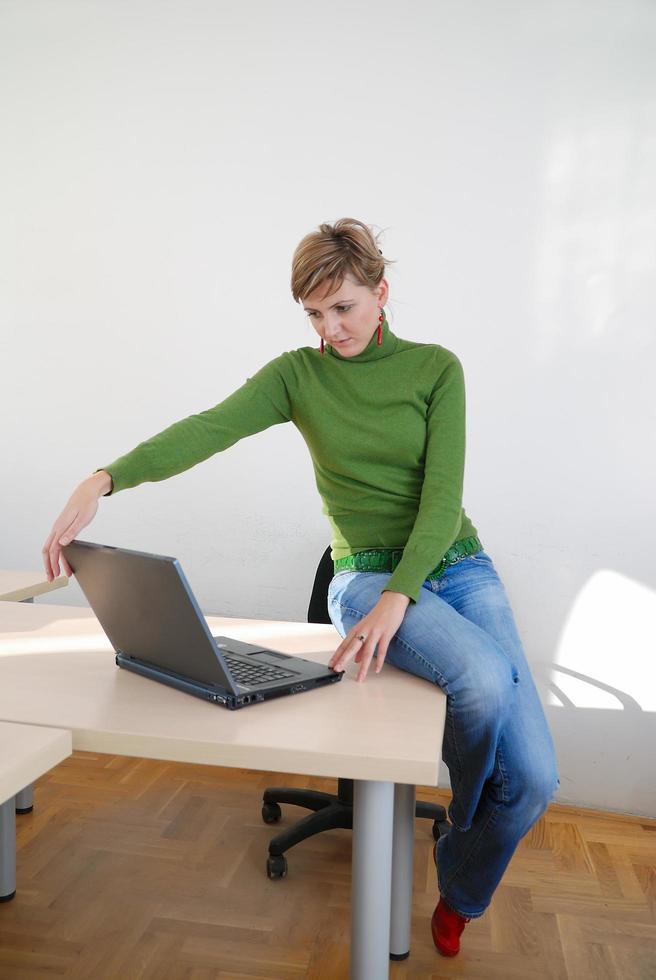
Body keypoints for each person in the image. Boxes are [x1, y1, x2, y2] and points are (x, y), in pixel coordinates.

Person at [42, 217, 560, 957]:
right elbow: (207, 429)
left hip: (453, 560)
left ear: (382, 293)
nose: (331, 328)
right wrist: (104, 477)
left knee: (536, 780)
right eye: (315, 314)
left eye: (343, 307)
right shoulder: (298, 375)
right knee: (480, 682)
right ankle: (472, 832)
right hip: (363, 574)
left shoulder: (437, 368)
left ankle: (461, 867)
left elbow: (442, 500)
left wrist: (403, 595)